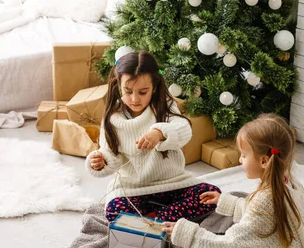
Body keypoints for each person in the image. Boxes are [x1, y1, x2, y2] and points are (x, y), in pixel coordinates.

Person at [162, 114, 304, 248]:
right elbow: (256, 214)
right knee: (212, 239)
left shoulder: (266, 200)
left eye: (244, 155)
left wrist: (187, 234)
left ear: (264, 161)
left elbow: (233, 243)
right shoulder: (285, 181)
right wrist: (226, 202)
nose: (239, 160)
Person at [86, 51, 218, 222]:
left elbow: (184, 130)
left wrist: (160, 133)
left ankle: (152, 221)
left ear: (154, 87)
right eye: (127, 91)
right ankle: (160, 221)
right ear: (118, 85)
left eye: (143, 92)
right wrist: (100, 161)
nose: (134, 99)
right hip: (134, 190)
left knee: (211, 195)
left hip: (173, 184)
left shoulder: (164, 106)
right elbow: (112, 156)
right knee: (114, 211)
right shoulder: (112, 118)